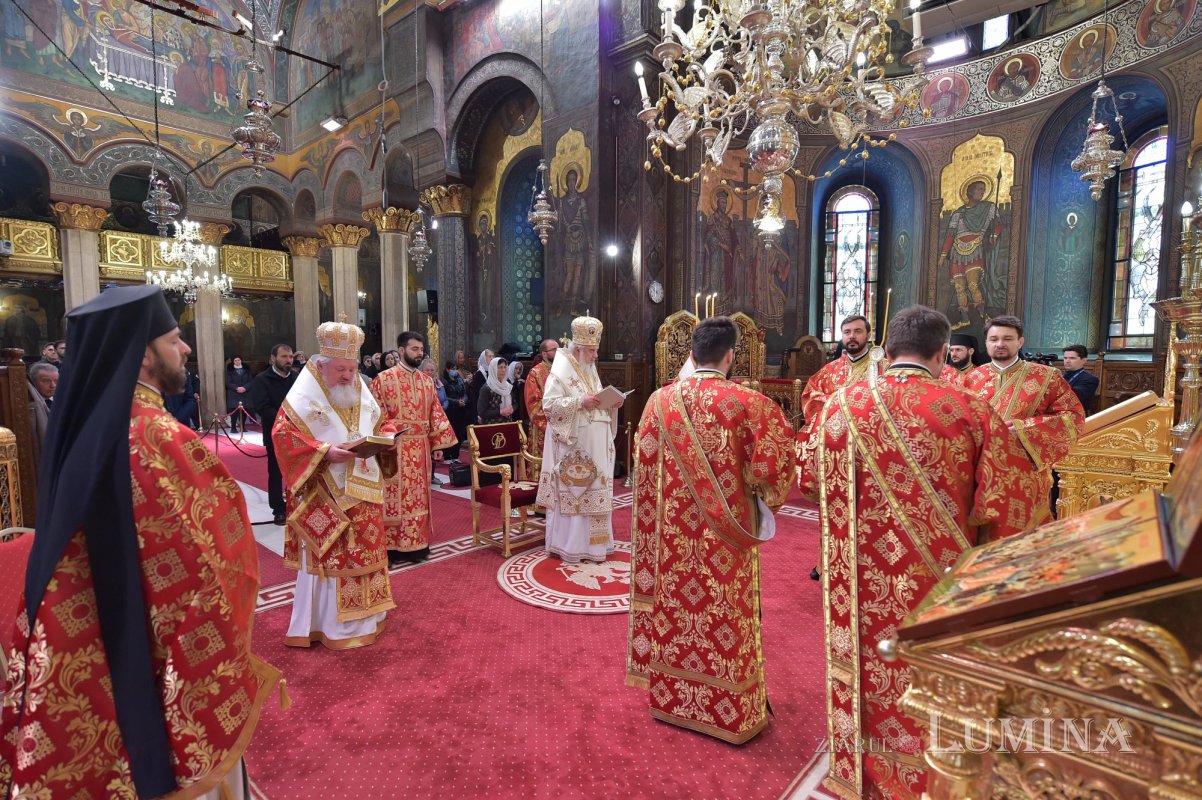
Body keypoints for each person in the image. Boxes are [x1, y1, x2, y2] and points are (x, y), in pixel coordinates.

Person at [0, 285, 279, 797]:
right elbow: (214, 557)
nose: (187, 350)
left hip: (78, 642)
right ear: (145, 354)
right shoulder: (160, 438)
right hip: (144, 649)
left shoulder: (86, 426)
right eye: (175, 339)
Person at [798, 305, 1040, 800]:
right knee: (933, 667)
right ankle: (933, 774)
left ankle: (859, 768)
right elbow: (1005, 508)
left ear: (886, 350)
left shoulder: (840, 404)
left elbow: (807, 480)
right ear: (940, 353)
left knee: (868, 666)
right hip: (941, 580)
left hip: (857, 576)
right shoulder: (969, 410)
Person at [626, 316, 796, 744]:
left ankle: (673, 699)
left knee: (677, 610)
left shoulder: (658, 402)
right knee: (724, 612)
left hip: (670, 540)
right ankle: (728, 708)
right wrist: (759, 494)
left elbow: (644, 465)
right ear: (730, 355)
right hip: (727, 537)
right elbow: (773, 473)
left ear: (691, 354)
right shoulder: (749, 403)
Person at [274, 316, 396, 648]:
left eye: (351, 368)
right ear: (322, 365)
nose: (347, 375)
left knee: (367, 549)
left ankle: (369, 615)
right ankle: (330, 625)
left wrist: (387, 436)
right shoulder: (303, 396)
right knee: (337, 554)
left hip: (364, 487)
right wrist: (325, 451)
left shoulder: (360, 389)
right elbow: (283, 436)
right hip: (326, 490)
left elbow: (380, 421)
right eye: (340, 368)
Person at [963, 316, 1086, 524]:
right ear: (986, 343)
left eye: (1007, 338)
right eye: (994, 339)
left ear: (1020, 342)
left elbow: (1073, 418)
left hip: (1027, 473)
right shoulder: (971, 378)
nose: (1000, 344)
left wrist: (1024, 429)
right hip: (981, 474)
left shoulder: (1047, 376)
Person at [537, 315, 622, 563]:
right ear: (579, 348)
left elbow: (595, 401)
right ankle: (572, 547)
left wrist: (612, 404)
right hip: (573, 448)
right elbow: (549, 406)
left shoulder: (589, 369)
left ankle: (596, 546)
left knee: (595, 490)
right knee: (577, 491)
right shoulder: (560, 371)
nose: (596, 355)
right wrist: (578, 402)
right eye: (592, 350)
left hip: (595, 446)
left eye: (596, 350)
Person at [369, 331, 457, 565]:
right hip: (393, 449)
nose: (419, 353)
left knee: (418, 497)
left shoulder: (426, 381)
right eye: (414, 349)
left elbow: (435, 413)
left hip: (420, 449)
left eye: (421, 349)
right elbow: (374, 414)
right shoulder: (383, 379)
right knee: (392, 498)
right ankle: (391, 548)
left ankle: (416, 546)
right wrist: (390, 435)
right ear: (401, 351)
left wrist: (438, 443)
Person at [938, 179, 1003, 329]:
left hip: (975, 250)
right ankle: (965, 319)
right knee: (960, 288)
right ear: (970, 191)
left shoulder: (989, 208)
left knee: (973, 286)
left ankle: (984, 316)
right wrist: (942, 256)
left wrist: (993, 236)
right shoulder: (958, 214)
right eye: (979, 189)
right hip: (957, 253)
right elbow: (950, 235)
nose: (982, 192)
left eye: (984, 189)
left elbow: (998, 224)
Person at [801, 315, 883, 428]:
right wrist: (839, 402)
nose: (852, 336)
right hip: (832, 433)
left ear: (868, 336)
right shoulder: (829, 370)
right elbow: (809, 396)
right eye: (847, 332)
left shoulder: (882, 367)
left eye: (858, 331)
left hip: (868, 432)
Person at [249, 343, 296, 525]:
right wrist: (285, 420)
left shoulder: (296, 378)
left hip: (297, 433)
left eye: (290, 357)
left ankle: (296, 504)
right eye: (284, 357)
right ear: (273, 358)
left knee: (297, 470)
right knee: (275, 472)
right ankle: (278, 509)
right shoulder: (262, 379)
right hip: (275, 432)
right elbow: (261, 406)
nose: (288, 360)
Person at [525, 338, 558, 457]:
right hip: (543, 428)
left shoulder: (562, 372)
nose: (558, 352)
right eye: (554, 350)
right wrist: (549, 424)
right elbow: (533, 404)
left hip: (562, 426)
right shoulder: (535, 373)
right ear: (544, 354)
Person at [422, 358, 450, 485]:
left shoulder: (438, 384)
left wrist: (440, 408)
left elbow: (444, 398)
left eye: (432, 370)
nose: (429, 372)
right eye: (427, 370)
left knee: (435, 448)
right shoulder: (419, 384)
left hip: (437, 419)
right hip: (424, 421)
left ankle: (432, 475)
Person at [26, 361, 57, 469]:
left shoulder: (66, 402)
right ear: (33, 382)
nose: (53, 385)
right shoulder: (29, 407)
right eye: (46, 381)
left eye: (56, 381)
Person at [1062, 344, 1099, 414]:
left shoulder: (1090, 379)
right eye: (1065, 358)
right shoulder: (1062, 376)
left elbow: (1075, 395)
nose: (1067, 361)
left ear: (1084, 360)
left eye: (1072, 358)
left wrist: (1056, 382)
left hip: (1076, 416)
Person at [163, 364, 201, 430]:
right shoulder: (150, 372)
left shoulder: (184, 373)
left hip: (181, 423)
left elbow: (190, 400)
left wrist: (177, 419)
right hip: (159, 424)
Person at [477, 356, 514, 423]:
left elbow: (515, 403)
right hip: (492, 426)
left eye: (505, 367)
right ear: (493, 369)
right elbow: (482, 412)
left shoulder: (507, 386)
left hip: (508, 423)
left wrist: (512, 409)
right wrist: (500, 412)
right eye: (500, 367)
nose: (503, 370)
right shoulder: (486, 388)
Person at [226, 355, 252, 431]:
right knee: (234, 411)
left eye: (239, 360)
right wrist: (237, 388)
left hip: (245, 393)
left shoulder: (246, 370)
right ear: (233, 361)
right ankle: (233, 427)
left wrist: (245, 387)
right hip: (234, 393)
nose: (238, 361)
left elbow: (250, 381)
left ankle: (242, 426)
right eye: (236, 360)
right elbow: (228, 382)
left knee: (244, 410)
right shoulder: (230, 370)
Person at [467, 348, 493, 423]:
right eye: (489, 356)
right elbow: (477, 394)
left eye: (492, 356)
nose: (492, 358)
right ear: (484, 358)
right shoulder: (479, 374)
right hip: (481, 406)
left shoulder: (492, 371)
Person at [507, 359, 527, 425]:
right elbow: (510, 389)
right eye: (516, 368)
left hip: (518, 405)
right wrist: (517, 381)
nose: (518, 371)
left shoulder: (520, 377)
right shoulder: (507, 378)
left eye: (519, 369)